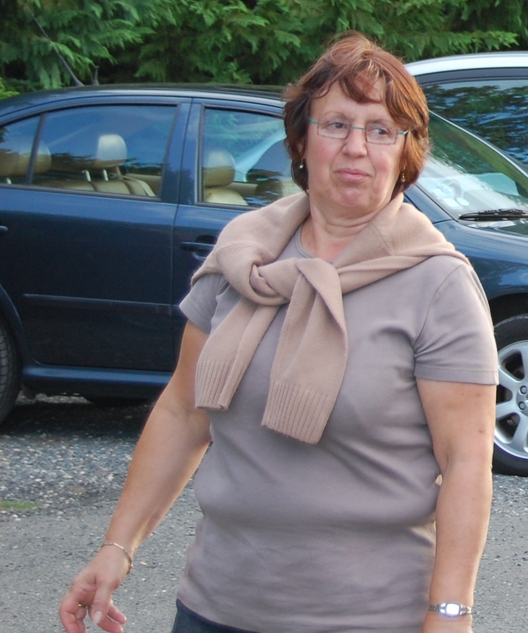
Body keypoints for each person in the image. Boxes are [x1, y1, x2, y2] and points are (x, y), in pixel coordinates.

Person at [59, 33, 497, 633]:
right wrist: (117, 547)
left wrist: (450, 613)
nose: (356, 148)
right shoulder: (244, 254)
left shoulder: (438, 283)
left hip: (368, 617)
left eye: (380, 130)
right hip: (214, 608)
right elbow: (183, 412)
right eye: (336, 125)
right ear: (300, 140)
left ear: (406, 152)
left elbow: (466, 460)